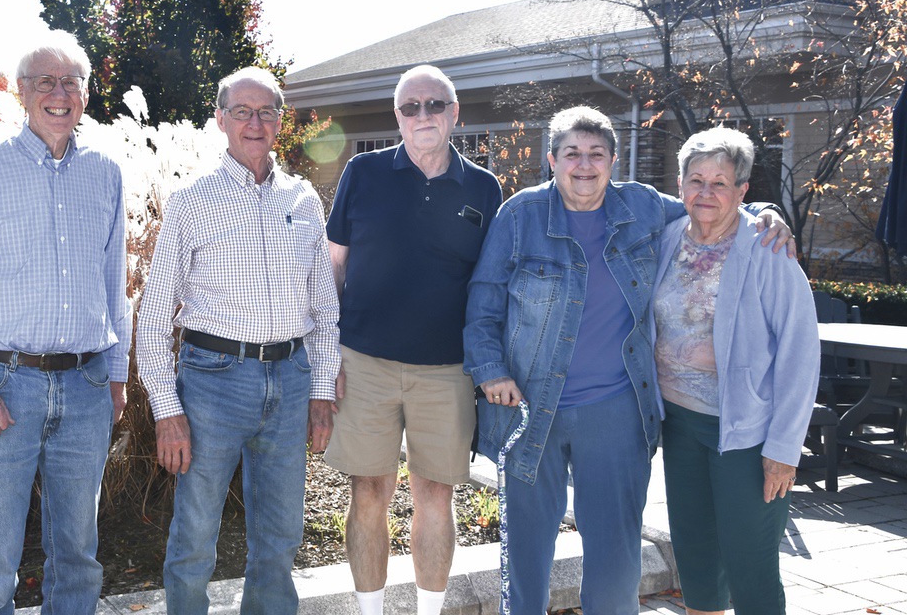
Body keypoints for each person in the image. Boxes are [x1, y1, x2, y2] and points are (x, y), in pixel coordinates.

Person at [463, 106, 793, 615]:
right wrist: (490, 371)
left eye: (597, 153)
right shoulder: (520, 216)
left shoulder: (640, 207)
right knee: (526, 550)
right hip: (528, 407)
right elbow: (483, 302)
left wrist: (768, 211)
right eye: (572, 152)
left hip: (615, 409)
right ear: (552, 159)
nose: (585, 164)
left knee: (616, 557)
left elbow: (710, 204)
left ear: (614, 161)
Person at [0, 39, 130, 615]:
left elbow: (115, 285)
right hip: (1, 386)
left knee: (79, 559)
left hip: (87, 387)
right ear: (21, 93)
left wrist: (116, 377)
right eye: (45, 81)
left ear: (86, 94)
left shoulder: (106, 174)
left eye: (71, 82)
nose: (59, 93)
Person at [135, 67, 340, 615]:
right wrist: (165, 409)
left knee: (280, 535)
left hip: (292, 380)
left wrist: (321, 391)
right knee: (195, 536)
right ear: (220, 119)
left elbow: (324, 306)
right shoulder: (191, 202)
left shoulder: (303, 200)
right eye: (243, 111)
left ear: (281, 121)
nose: (255, 122)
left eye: (267, 111)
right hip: (212, 383)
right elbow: (154, 316)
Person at [324, 64, 503, 615]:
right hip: (364, 362)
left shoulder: (484, 188)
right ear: (396, 116)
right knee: (369, 493)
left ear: (454, 113)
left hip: (447, 371)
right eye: (410, 106)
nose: (422, 115)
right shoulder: (363, 172)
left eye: (434, 104)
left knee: (435, 496)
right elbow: (333, 266)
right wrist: (328, 354)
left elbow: (493, 282)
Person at [650, 127, 818, 615]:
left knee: (751, 564)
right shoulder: (665, 239)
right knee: (696, 558)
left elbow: (800, 351)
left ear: (743, 191)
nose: (706, 193)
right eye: (695, 180)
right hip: (679, 424)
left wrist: (784, 450)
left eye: (720, 183)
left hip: (746, 432)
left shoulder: (767, 248)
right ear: (679, 184)